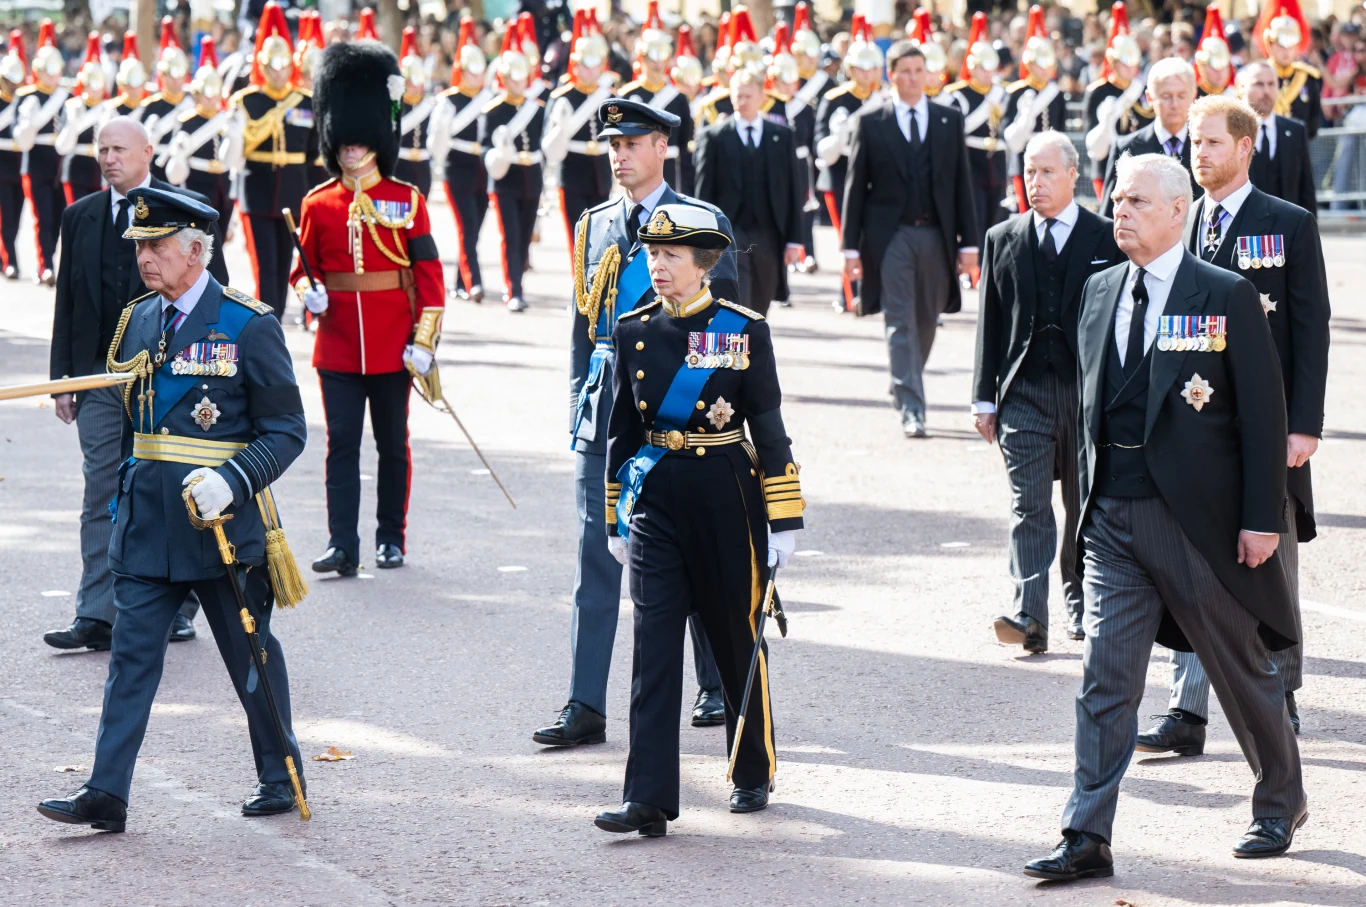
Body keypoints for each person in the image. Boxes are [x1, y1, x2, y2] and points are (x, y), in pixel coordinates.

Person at [1024, 153, 1305, 881]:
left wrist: (1258, 518)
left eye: (1137, 201)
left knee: (1241, 670)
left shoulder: (1225, 294)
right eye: (1116, 199)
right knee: (1105, 678)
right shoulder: (1097, 291)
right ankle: (1087, 832)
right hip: (1112, 519)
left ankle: (1280, 798)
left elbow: (1264, 419)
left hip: (1197, 524)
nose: (1120, 211)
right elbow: (1088, 407)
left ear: (1178, 211)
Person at [37, 185, 308, 831]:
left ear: (195, 249)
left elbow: (287, 429)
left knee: (251, 656)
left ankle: (279, 771)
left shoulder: (248, 323)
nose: (144, 258)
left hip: (220, 527)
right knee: (130, 662)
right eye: (139, 246)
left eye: (156, 245)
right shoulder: (138, 320)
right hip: (148, 522)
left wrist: (235, 478)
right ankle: (107, 791)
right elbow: (134, 418)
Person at [593, 202, 804, 835]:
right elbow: (622, 434)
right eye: (652, 255)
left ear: (703, 263)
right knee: (652, 648)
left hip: (726, 497)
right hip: (656, 503)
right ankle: (649, 797)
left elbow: (767, 427)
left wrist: (784, 519)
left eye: (671, 256)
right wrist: (614, 520)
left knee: (734, 635)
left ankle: (751, 767)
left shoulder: (742, 329)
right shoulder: (632, 330)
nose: (657, 267)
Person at [534, 97, 737, 749]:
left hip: (675, 414)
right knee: (597, 557)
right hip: (604, 409)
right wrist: (578, 401)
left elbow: (726, 327)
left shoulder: (701, 222)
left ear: (661, 147)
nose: (619, 155)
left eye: (632, 143)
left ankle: (715, 682)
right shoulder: (594, 224)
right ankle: (584, 701)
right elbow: (580, 327)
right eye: (612, 145)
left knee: (693, 555)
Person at [1137, 95, 1328, 754]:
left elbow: (1310, 328)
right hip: (1191, 424)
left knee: (1271, 562)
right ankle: (1187, 708)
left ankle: (1283, 694)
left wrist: (1303, 424)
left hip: (1264, 425)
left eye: (1214, 142)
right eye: (1195, 142)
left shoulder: (1288, 224)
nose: (1201, 154)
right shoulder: (1176, 222)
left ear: (1244, 147)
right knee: (1185, 563)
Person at [44, 115, 231, 652]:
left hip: (168, 377)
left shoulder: (184, 208)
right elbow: (68, 304)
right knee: (101, 489)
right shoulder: (79, 216)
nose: (108, 158)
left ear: (148, 151)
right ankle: (96, 615)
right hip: (102, 379)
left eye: (118, 149)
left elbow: (215, 293)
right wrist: (64, 380)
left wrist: (211, 368)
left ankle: (176, 609)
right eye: (101, 149)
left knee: (169, 486)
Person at [291, 40, 446, 576]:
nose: (352, 150)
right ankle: (342, 544)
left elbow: (427, 275)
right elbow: (302, 268)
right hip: (336, 345)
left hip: (392, 344)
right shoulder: (317, 203)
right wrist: (306, 296)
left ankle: (390, 537)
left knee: (392, 446)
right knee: (341, 450)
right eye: (345, 142)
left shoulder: (407, 200)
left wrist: (424, 341)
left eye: (361, 141)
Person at [974, 131, 1122, 653]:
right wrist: (984, 399)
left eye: (1046, 172)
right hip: (1024, 393)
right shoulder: (1002, 237)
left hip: (1086, 394)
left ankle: (1080, 600)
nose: (1035, 182)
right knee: (1029, 505)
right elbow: (989, 323)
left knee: (1082, 504)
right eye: (1029, 172)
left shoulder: (1106, 236)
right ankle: (1029, 613)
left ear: (1072, 176)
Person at [842, 41, 977, 439]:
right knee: (899, 320)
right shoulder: (870, 121)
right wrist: (851, 249)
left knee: (927, 319)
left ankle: (905, 377)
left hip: (937, 234)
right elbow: (855, 189)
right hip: (891, 237)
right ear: (891, 74)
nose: (914, 77)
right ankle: (912, 407)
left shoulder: (949, 120)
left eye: (920, 70)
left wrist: (969, 246)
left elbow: (961, 187)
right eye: (905, 70)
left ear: (929, 74)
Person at [221, 2, 319, 321]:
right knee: (265, 266)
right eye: (272, 65)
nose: (278, 71)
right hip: (258, 189)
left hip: (293, 192)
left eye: (283, 65)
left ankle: (274, 320)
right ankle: (267, 326)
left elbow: (314, 155)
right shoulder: (247, 100)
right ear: (262, 65)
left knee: (284, 263)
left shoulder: (305, 101)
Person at [693, 68, 803, 317]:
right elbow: (704, 192)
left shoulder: (781, 136)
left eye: (747, 96)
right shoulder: (715, 136)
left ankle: (751, 351)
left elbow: (793, 191)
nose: (741, 102)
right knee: (734, 297)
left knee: (762, 300)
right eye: (737, 96)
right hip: (730, 233)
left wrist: (794, 240)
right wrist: (702, 239)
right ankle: (733, 351)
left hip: (768, 233)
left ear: (762, 96)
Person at [815, 16, 879, 313]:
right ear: (851, 69)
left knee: (870, 236)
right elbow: (822, 148)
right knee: (847, 236)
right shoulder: (835, 98)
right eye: (863, 68)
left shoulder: (883, 99)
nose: (868, 74)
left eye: (873, 68)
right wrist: (841, 134)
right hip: (840, 177)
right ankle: (848, 294)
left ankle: (868, 292)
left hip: (874, 178)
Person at [480, 27, 545, 313]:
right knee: (510, 234)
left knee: (525, 236)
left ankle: (518, 283)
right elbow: (484, 148)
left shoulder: (538, 108)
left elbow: (543, 145)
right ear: (504, 79)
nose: (518, 82)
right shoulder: (492, 110)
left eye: (522, 77)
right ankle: (513, 289)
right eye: (512, 77)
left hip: (531, 177)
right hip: (506, 178)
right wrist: (498, 153)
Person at [428, 17, 491, 304]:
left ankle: (459, 281)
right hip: (458, 165)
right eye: (471, 72)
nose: (476, 77)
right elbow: (437, 143)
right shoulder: (448, 100)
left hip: (483, 167)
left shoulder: (489, 98)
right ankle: (474, 281)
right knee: (467, 225)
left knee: (475, 228)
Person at [937, 13, 1009, 255]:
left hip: (996, 161)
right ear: (973, 67)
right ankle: (974, 264)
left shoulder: (1002, 91)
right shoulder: (958, 94)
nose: (988, 73)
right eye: (983, 68)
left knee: (995, 216)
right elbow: (957, 130)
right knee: (975, 215)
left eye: (991, 68)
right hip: (972, 159)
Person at [542, 11, 614, 249]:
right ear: (576, 63)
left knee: (602, 241)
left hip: (601, 174)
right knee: (579, 242)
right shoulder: (562, 97)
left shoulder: (610, 96)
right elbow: (548, 144)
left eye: (597, 64)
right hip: (572, 172)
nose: (592, 70)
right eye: (587, 64)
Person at [1099, 57, 1201, 218]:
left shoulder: (1206, 146)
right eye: (1166, 96)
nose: (1174, 104)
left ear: (1193, 96)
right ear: (1149, 98)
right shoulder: (1127, 148)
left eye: (1181, 95)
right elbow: (1110, 216)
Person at [14, 21, 69, 287]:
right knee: (43, 216)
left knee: (58, 218)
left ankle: (49, 258)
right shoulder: (28, 96)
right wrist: (32, 119)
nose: (54, 75)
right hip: (37, 161)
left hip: (61, 163)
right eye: (49, 69)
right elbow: (22, 138)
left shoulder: (67, 97)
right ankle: (45, 265)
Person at [161, 38, 234, 234]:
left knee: (219, 243)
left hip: (223, 188)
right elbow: (175, 172)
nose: (211, 97)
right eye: (206, 92)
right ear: (197, 93)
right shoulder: (187, 121)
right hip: (196, 185)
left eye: (215, 92)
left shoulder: (227, 119)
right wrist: (179, 153)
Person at [1083, 3, 1153, 200]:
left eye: (1133, 62)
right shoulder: (1098, 91)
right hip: (1107, 165)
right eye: (1125, 62)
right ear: (1113, 62)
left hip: (1138, 165)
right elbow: (1092, 134)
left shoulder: (1142, 90)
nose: (1130, 68)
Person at [1002, 6, 1066, 215]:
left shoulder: (1055, 93)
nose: (1045, 69)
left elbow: (1061, 128)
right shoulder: (1016, 92)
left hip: (1051, 158)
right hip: (1024, 156)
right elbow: (1008, 129)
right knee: (1026, 211)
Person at [620, 19, 694, 195]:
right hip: (637, 166)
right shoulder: (628, 95)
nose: (658, 64)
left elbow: (684, 144)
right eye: (652, 58)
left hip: (670, 169)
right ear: (642, 58)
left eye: (663, 58)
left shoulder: (678, 98)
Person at [1237, 62, 1317, 213]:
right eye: (1259, 84)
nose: (1266, 91)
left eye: (1271, 84)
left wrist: (1310, 233)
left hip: (1288, 229)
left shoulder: (1295, 131)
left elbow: (1307, 189)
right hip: (1246, 230)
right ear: (1242, 87)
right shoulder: (1232, 132)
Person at [56, 33, 109, 204]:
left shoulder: (108, 107)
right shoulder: (72, 105)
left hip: (100, 170)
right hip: (76, 168)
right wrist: (72, 123)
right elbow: (63, 145)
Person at [140, 17, 194, 183]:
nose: (176, 81)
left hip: (186, 170)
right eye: (171, 76)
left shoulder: (192, 104)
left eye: (180, 76)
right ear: (162, 76)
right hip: (157, 169)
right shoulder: (151, 106)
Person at [1260, 0, 1322, 138]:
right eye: (1281, 44)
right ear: (1269, 43)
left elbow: (1314, 120)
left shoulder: (1308, 78)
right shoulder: (1257, 76)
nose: (1286, 50)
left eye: (1291, 44)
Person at [395, 27, 436, 198]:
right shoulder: (394, 104)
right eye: (412, 82)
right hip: (399, 163)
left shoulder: (429, 104)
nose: (416, 87)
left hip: (423, 164)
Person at [0, 31, 26, 280]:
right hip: (1, 163)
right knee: (5, 215)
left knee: (15, 216)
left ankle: (3, 256)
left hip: (20, 164)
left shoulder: (23, 99)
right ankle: (11, 262)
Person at [1194, 7, 1236, 97]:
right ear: (1201, 66)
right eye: (1214, 67)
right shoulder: (1191, 96)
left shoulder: (1235, 95)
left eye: (1223, 66)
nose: (1219, 72)